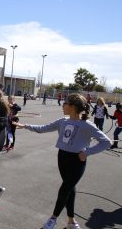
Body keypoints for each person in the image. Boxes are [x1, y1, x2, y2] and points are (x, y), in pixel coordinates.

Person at [13, 93, 111, 229]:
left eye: (65, 103)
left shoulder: (87, 125)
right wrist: (25, 125)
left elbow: (106, 142)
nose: (63, 105)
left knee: (65, 188)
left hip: (77, 160)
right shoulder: (62, 121)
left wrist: (87, 152)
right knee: (70, 188)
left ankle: (53, 219)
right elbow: (44, 128)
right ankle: (71, 221)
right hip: (62, 158)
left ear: (72, 106)